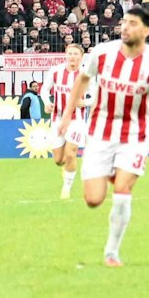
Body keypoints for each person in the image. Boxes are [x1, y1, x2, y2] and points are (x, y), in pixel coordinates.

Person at [52, 9, 149, 267]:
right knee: (93, 199)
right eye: (124, 23)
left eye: (132, 24)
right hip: (100, 134)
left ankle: (112, 251)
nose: (125, 28)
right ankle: (113, 171)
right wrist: (66, 115)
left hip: (135, 135)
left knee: (122, 190)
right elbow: (82, 81)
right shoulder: (102, 53)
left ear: (146, 31)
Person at [42, 43, 90, 198]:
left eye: (76, 54)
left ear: (81, 57)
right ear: (65, 55)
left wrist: (86, 102)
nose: (72, 57)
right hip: (57, 119)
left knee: (71, 153)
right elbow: (44, 90)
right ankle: (66, 169)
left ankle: (66, 189)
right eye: (70, 53)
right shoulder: (55, 71)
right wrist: (46, 103)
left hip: (76, 120)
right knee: (59, 160)